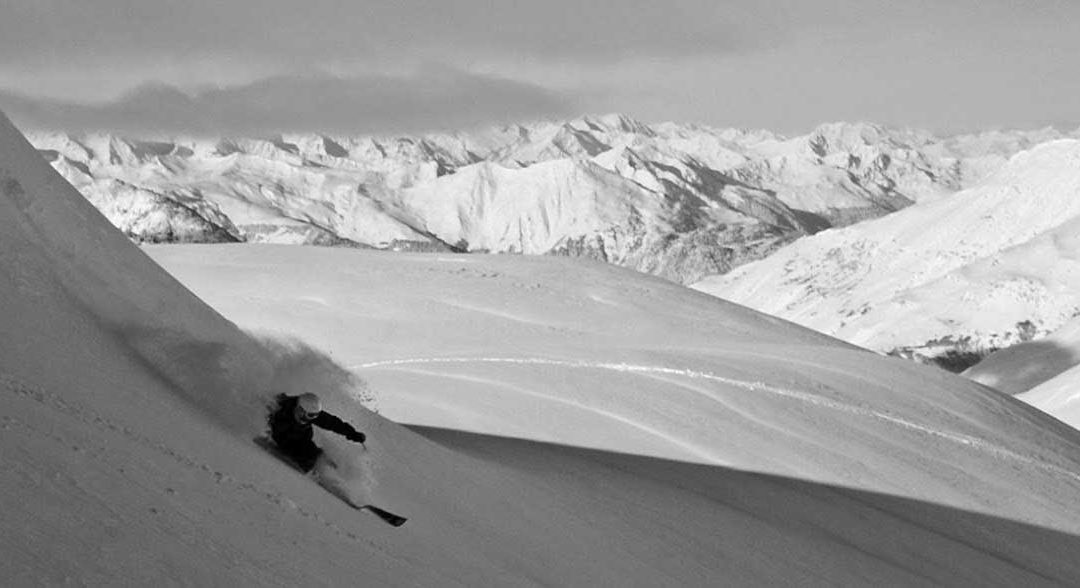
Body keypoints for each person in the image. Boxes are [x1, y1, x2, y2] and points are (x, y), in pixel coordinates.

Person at [266, 392, 366, 473]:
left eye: (315, 415)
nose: (313, 418)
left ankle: (336, 474)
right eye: (310, 415)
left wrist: (352, 433)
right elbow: (265, 415)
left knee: (318, 455)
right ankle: (313, 470)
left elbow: (332, 423)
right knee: (305, 456)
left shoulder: (308, 411)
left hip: (301, 439)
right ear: (300, 410)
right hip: (283, 439)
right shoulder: (281, 411)